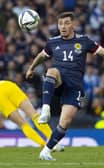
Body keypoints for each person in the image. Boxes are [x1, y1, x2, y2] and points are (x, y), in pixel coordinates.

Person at [26, 12, 104, 160]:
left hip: (74, 86)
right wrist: (31, 68)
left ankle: (46, 151)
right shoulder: (53, 42)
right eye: (60, 23)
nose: (63, 26)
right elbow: (42, 56)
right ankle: (45, 109)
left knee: (64, 123)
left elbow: (101, 52)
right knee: (52, 71)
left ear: (73, 24)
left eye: (66, 23)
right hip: (58, 81)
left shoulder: (84, 41)